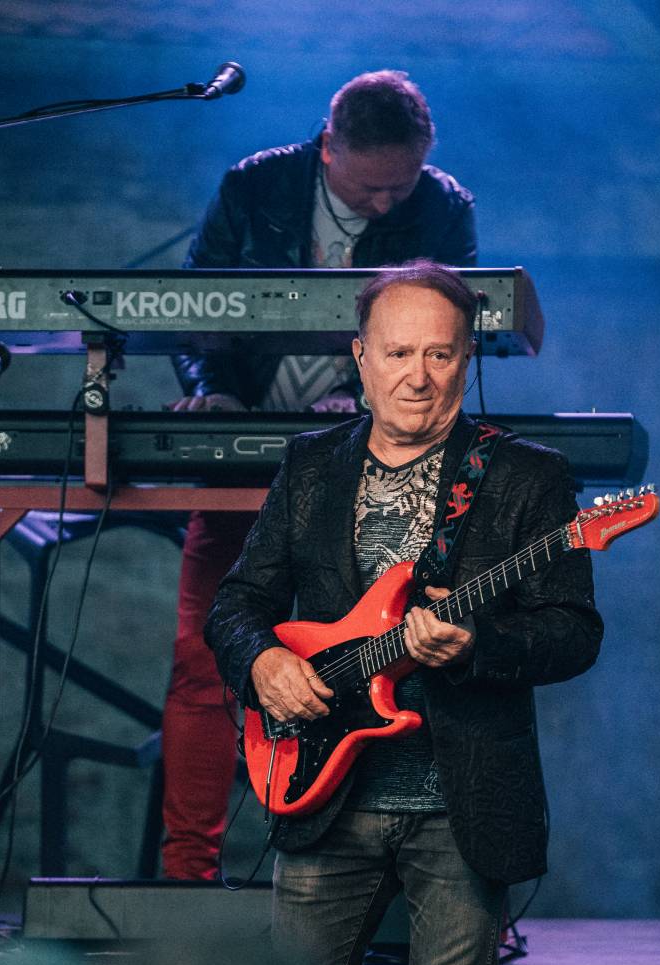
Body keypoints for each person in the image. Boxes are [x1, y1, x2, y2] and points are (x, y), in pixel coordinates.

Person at [204, 262, 604, 965]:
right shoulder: (311, 465)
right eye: (397, 354)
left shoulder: (528, 477)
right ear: (361, 359)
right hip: (323, 790)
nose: (417, 377)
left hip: (459, 804)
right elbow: (235, 605)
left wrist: (477, 648)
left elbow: (573, 632)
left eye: (440, 355)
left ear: (468, 359)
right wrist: (264, 665)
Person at [160, 69, 479, 880]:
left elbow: (458, 332)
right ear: (328, 146)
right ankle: (186, 875)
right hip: (246, 455)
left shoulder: (442, 207)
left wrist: (356, 396)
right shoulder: (254, 185)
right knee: (207, 659)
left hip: (374, 461)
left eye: (400, 185)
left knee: (387, 672)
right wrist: (217, 393)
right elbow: (197, 311)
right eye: (372, 188)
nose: (386, 205)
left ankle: (388, 875)